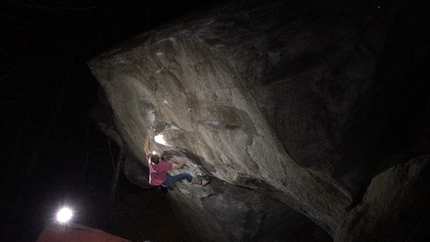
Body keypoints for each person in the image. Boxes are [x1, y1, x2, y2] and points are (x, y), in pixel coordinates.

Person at [144, 130, 210, 187]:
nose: (157, 152)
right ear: (159, 159)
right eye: (158, 154)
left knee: (164, 174)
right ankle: (201, 183)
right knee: (185, 175)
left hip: (155, 179)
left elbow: (146, 149)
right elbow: (178, 166)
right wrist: (184, 160)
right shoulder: (163, 165)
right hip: (166, 181)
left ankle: (167, 178)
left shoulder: (151, 159)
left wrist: (148, 135)